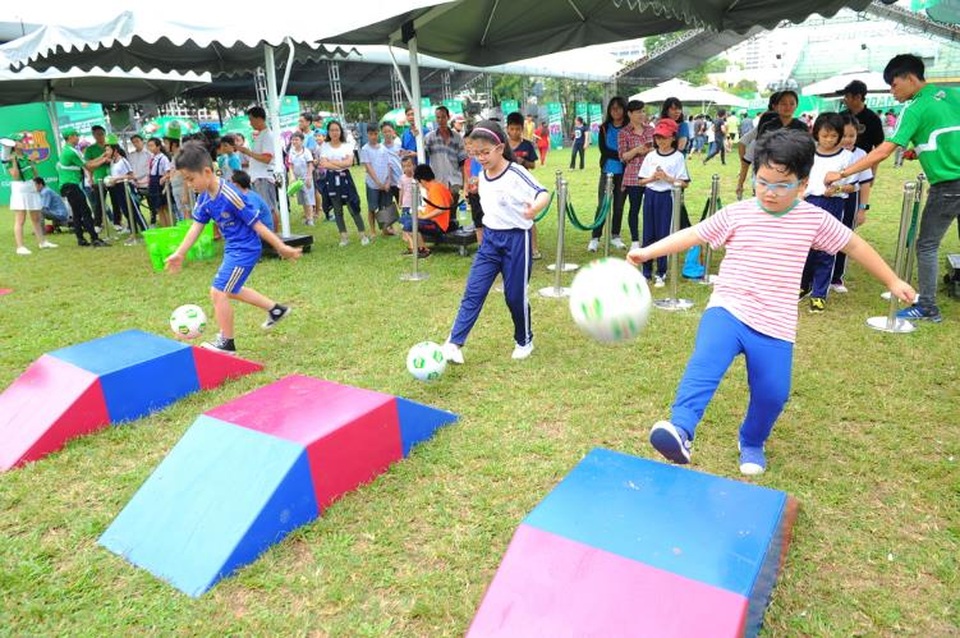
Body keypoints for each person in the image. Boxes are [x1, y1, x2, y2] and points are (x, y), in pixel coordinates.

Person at [627, 129, 915, 476]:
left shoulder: (813, 219)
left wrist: (893, 280)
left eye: (782, 185)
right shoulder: (738, 213)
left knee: (773, 394)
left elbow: (854, 245)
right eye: (762, 182)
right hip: (729, 309)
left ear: (803, 185)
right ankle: (681, 429)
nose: (769, 192)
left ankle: (751, 441)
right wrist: (647, 252)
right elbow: (695, 233)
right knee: (704, 364)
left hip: (775, 322)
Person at [826, 53, 960, 323]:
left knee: (927, 245)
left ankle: (928, 308)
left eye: (894, 85)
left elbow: (883, 151)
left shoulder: (915, 107)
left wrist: (842, 173)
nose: (892, 91)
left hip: (948, 185)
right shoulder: (952, 94)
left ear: (910, 78)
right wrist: (918, 152)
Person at [165, 141, 300, 354]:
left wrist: (280, 246)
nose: (189, 185)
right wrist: (180, 253)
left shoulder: (230, 195)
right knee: (232, 290)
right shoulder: (204, 198)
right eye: (186, 180)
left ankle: (227, 343)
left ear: (207, 172)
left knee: (218, 292)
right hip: (233, 248)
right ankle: (275, 310)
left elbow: (257, 224)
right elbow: (196, 226)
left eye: (190, 179)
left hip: (246, 249)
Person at [441, 120, 551, 365]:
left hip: (517, 240)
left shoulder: (515, 173)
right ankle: (454, 343)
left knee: (514, 296)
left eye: (485, 152)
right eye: (475, 153)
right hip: (490, 241)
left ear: (500, 149)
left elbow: (543, 193)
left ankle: (524, 340)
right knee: (474, 290)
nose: (480, 158)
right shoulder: (482, 174)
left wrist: (534, 208)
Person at [799, 113, 855, 313]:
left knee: (826, 249)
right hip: (808, 202)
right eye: (825, 135)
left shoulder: (847, 157)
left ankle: (819, 293)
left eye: (833, 136)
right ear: (816, 134)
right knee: (806, 247)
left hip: (833, 203)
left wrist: (837, 189)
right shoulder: (808, 153)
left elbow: (853, 186)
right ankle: (803, 285)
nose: (829, 140)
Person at [637, 117, 689, 287]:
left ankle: (661, 272)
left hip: (667, 197)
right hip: (650, 195)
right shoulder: (651, 156)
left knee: (664, 234)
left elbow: (684, 183)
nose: (661, 141)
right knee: (648, 234)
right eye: (658, 137)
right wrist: (653, 178)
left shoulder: (678, 157)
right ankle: (646, 271)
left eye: (665, 137)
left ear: (673, 137)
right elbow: (641, 181)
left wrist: (667, 178)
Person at [317, 120, 371, 247]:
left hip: (345, 179)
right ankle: (344, 237)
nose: (334, 133)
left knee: (353, 206)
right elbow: (323, 163)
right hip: (331, 180)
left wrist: (332, 162)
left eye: (337, 130)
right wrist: (340, 164)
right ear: (328, 132)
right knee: (337, 209)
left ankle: (363, 235)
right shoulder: (325, 146)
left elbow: (349, 163)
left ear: (341, 131)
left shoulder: (346, 145)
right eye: (332, 130)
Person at [588, 96, 628, 252]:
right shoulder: (604, 128)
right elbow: (604, 150)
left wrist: (626, 155)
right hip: (607, 171)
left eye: (619, 108)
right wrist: (623, 155)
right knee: (603, 205)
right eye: (613, 109)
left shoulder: (629, 128)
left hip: (623, 173)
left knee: (619, 206)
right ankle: (595, 237)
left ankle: (615, 236)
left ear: (624, 110)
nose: (616, 111)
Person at [3, 133, 51, 254]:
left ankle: (42, 242)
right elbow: (15, 176)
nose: (24, 143)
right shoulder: (9, 159)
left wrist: (32, 162)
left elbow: (35, 174)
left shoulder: (26, 156)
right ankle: (20, 247)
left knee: (36, 218)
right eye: (21, 141)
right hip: (20, 189)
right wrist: (14, 161)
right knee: (20, 219)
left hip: (31, 186)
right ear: (14, 144)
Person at [56, 127, 104, 246]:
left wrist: (103, 156)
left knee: (77, 213)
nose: (78, 138)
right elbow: (89, 166)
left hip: (67, 186)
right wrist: (104, 159)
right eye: (76, 135)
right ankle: (94, 239)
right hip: (71, 185)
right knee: (85, 211)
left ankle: (81, 239)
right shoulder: (71, 152)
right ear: (70, 137)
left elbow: (88, 163)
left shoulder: (68, 150)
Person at [618, 100, 654, 252]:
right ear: (629, 114)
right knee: (634, 208)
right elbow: (623, 156)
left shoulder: (651, 130)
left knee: (651, 209)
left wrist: (650, 150)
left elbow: (659, 148)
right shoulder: (624, 133)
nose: (642, 114)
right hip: (633, 176)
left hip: (652, 175)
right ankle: (635, 240)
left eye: (643, 111)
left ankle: (651, 239)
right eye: (638, 112)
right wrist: (637, 150)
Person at [506, 112, 542, 259]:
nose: (515, 132)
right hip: (506, 185)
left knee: (529, 216)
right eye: (512, 129)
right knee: (508, 217)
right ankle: (510, 248)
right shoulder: (503, 146)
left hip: (523, 186)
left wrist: (524, 162)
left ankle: (534, 249)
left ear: (522, 129)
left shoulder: (527, 144)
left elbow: (533, 164)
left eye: (517, 129)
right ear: (507, 129)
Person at [237, 106, 279, 231]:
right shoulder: (261, 135)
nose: (250, 123)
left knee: (268, 207)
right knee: (262, 207)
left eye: (251, 119)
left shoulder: (268, 135)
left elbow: (267, 158)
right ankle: (269, 233)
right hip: (258, 177)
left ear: (259, 119)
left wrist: (248, 152)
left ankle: (273, 234)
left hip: (264, 176)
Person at [402, 163, 451, 258]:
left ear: (422, 180)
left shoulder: (435, 189)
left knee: (409, 224)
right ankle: (413, 248)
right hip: (434, 221)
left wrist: (424, 217)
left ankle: (423, 250)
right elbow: (450, 201)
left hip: (437, 225)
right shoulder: (439, 186)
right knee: (404, 219)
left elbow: (441, 209)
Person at [424, 105, 469, 202]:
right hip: (437, 180)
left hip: (454, 180)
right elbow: (423, 155)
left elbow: (462, 162)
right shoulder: (430, 138)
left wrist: (465, 184)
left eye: (443, 117)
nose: (440, 120)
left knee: (452, 208)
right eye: (438, 117)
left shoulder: (457, 138)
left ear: (448, 117)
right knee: (441, 208)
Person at [359, 124, 394, 236]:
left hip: (385, 184)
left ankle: (385, 229)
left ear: (378, 134)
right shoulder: (365, 149)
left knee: (385, 207)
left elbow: (389, 165)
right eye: (371, 134)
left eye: (375, 134)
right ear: (367, 134)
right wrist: (378, 183)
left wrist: (388, 181)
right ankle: (372, 231)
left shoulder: (383, 148)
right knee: (372, 208)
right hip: (372, 185)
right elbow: (368, 168)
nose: (373, 136)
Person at [840, 80, 885, 157]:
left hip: (863, 160)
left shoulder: (873, 119)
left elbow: (879, 145)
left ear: (858, 97)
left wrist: (872, 163)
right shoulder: (840, 117)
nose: (844, 100)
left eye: (847, 96)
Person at [287, 132, 316, 226]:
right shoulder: (291, 151)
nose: (294, 142)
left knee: (308, 199)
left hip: (306, 178)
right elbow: (290, 165)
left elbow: (310, 164)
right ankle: (307, 217)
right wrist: (292, 176)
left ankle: (310, 219)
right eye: (293, 140)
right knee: (302, 199)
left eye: (296, 140)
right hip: (297, 179)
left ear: (302, 141)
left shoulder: (306, 151)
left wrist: (309, 177)